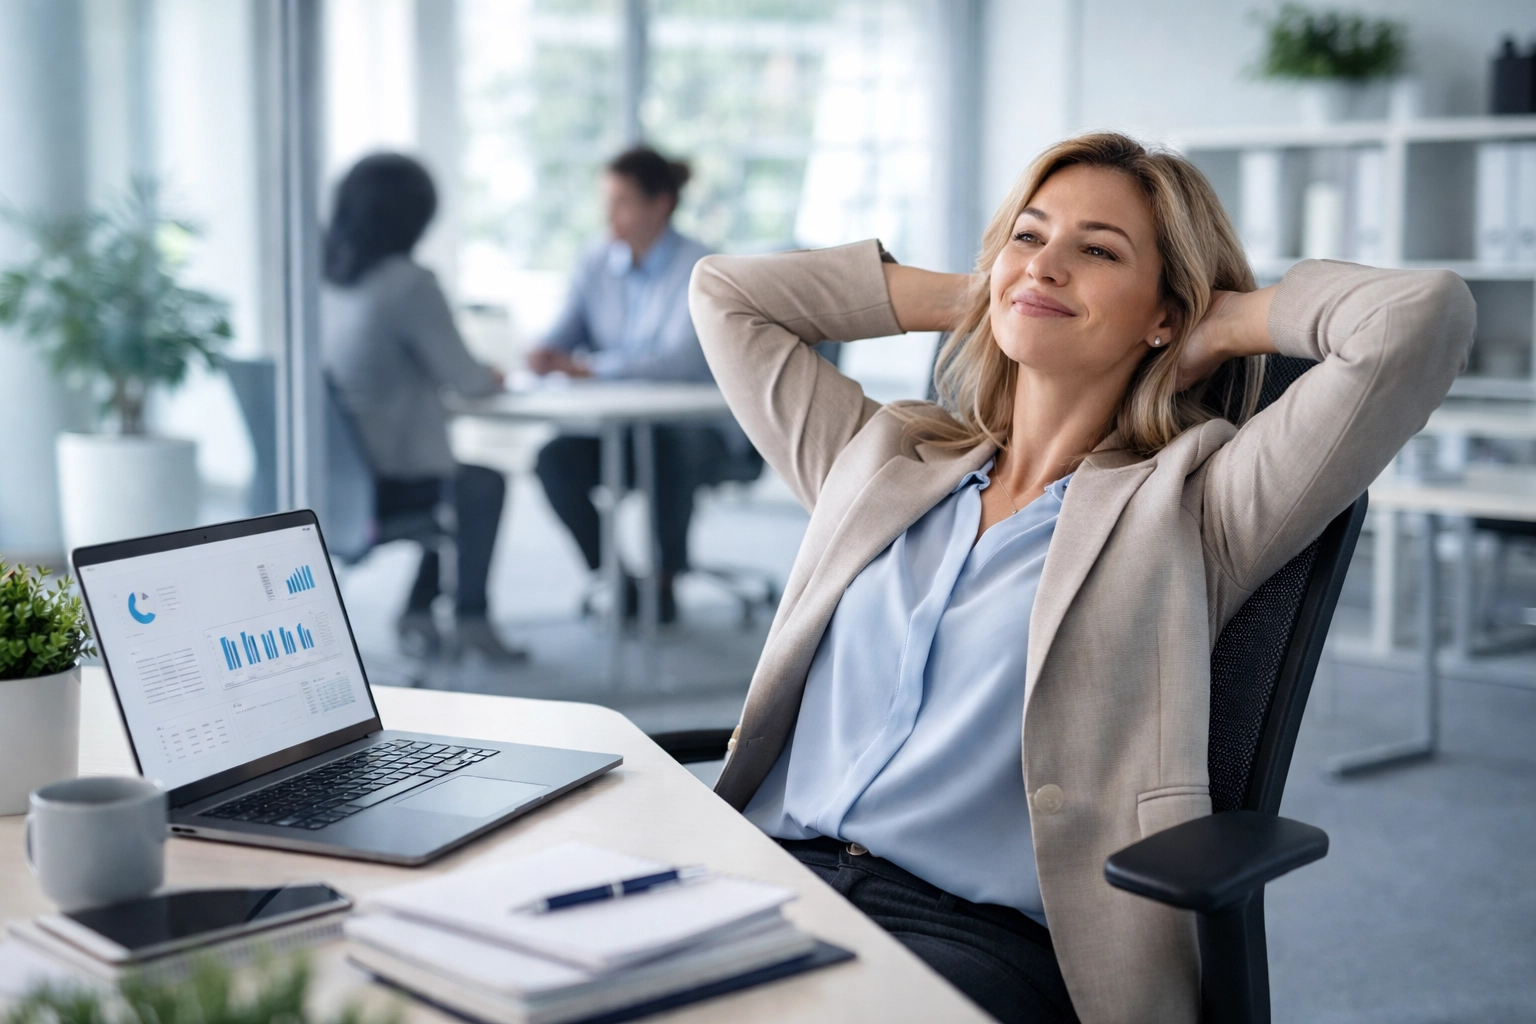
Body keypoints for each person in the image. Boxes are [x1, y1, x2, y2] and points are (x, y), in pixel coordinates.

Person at [688, 132, 1473, 1024]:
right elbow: (726, 295)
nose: (1048, 263)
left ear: (1164, 312)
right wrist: (986, 293)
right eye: (1028, 235)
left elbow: (1424, 317)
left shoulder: (1193, 510)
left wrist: (1225, 321)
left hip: (966, 938)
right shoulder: (881, 459)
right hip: (765, 879)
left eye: (1098, 251)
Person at [321, 153, 522, 663]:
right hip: (387, 483)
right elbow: (469, 381)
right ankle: (470, 619)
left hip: (330, 480)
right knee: (481, 485)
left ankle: (419, 611)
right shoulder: (408, 283)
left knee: (458, 482)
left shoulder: (326, 280)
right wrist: (492, 373)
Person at [527, 145, 722, 623]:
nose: (609, 215)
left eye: (622, 202)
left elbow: (680, 361)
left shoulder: (702, 268)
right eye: (607, 201)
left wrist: (589, 369)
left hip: (695, 429)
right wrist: (545, 352)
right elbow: (565, 331)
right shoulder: (596, 261)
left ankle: (665, 582)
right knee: (554, 461)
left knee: (667, 450)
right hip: (617, 426)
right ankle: (618, 580)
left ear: (662, 204)